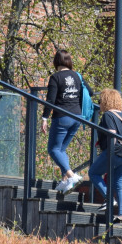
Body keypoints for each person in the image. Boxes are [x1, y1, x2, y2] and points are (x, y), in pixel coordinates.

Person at [42, 50, 90, 194]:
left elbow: (50, 100)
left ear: (56, 62)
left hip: (62, 117)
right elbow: (90, 92)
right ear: (69, 61)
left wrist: (44, 118)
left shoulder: (55, 77)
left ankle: (71, 176)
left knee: (53, 149)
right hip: (77, 117)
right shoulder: (77, 76)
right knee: (61, 150)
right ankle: (65, 181)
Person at [88, 89, 122, 229]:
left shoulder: (108, 115)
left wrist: (110, 153)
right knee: (120, 185)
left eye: (101, 99)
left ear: (106, 100)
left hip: (115, 152)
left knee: (93, 173)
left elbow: (112, 135)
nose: (100, 102)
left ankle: (109, 198)